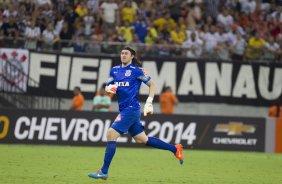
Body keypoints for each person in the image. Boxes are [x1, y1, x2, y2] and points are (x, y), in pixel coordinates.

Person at [88, 47, 184, 180]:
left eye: (126, 53)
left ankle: (104, 171)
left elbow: (153, 86)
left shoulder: (137, 70)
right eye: (122, 53)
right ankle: (175, 149)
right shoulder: (115, 70)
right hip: (125, 109)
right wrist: (111, 88)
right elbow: (108, 88)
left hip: (131, 108)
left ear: (132, 56)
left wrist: (149, 103)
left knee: (111, 134)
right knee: (142, 139)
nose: (123, 55)